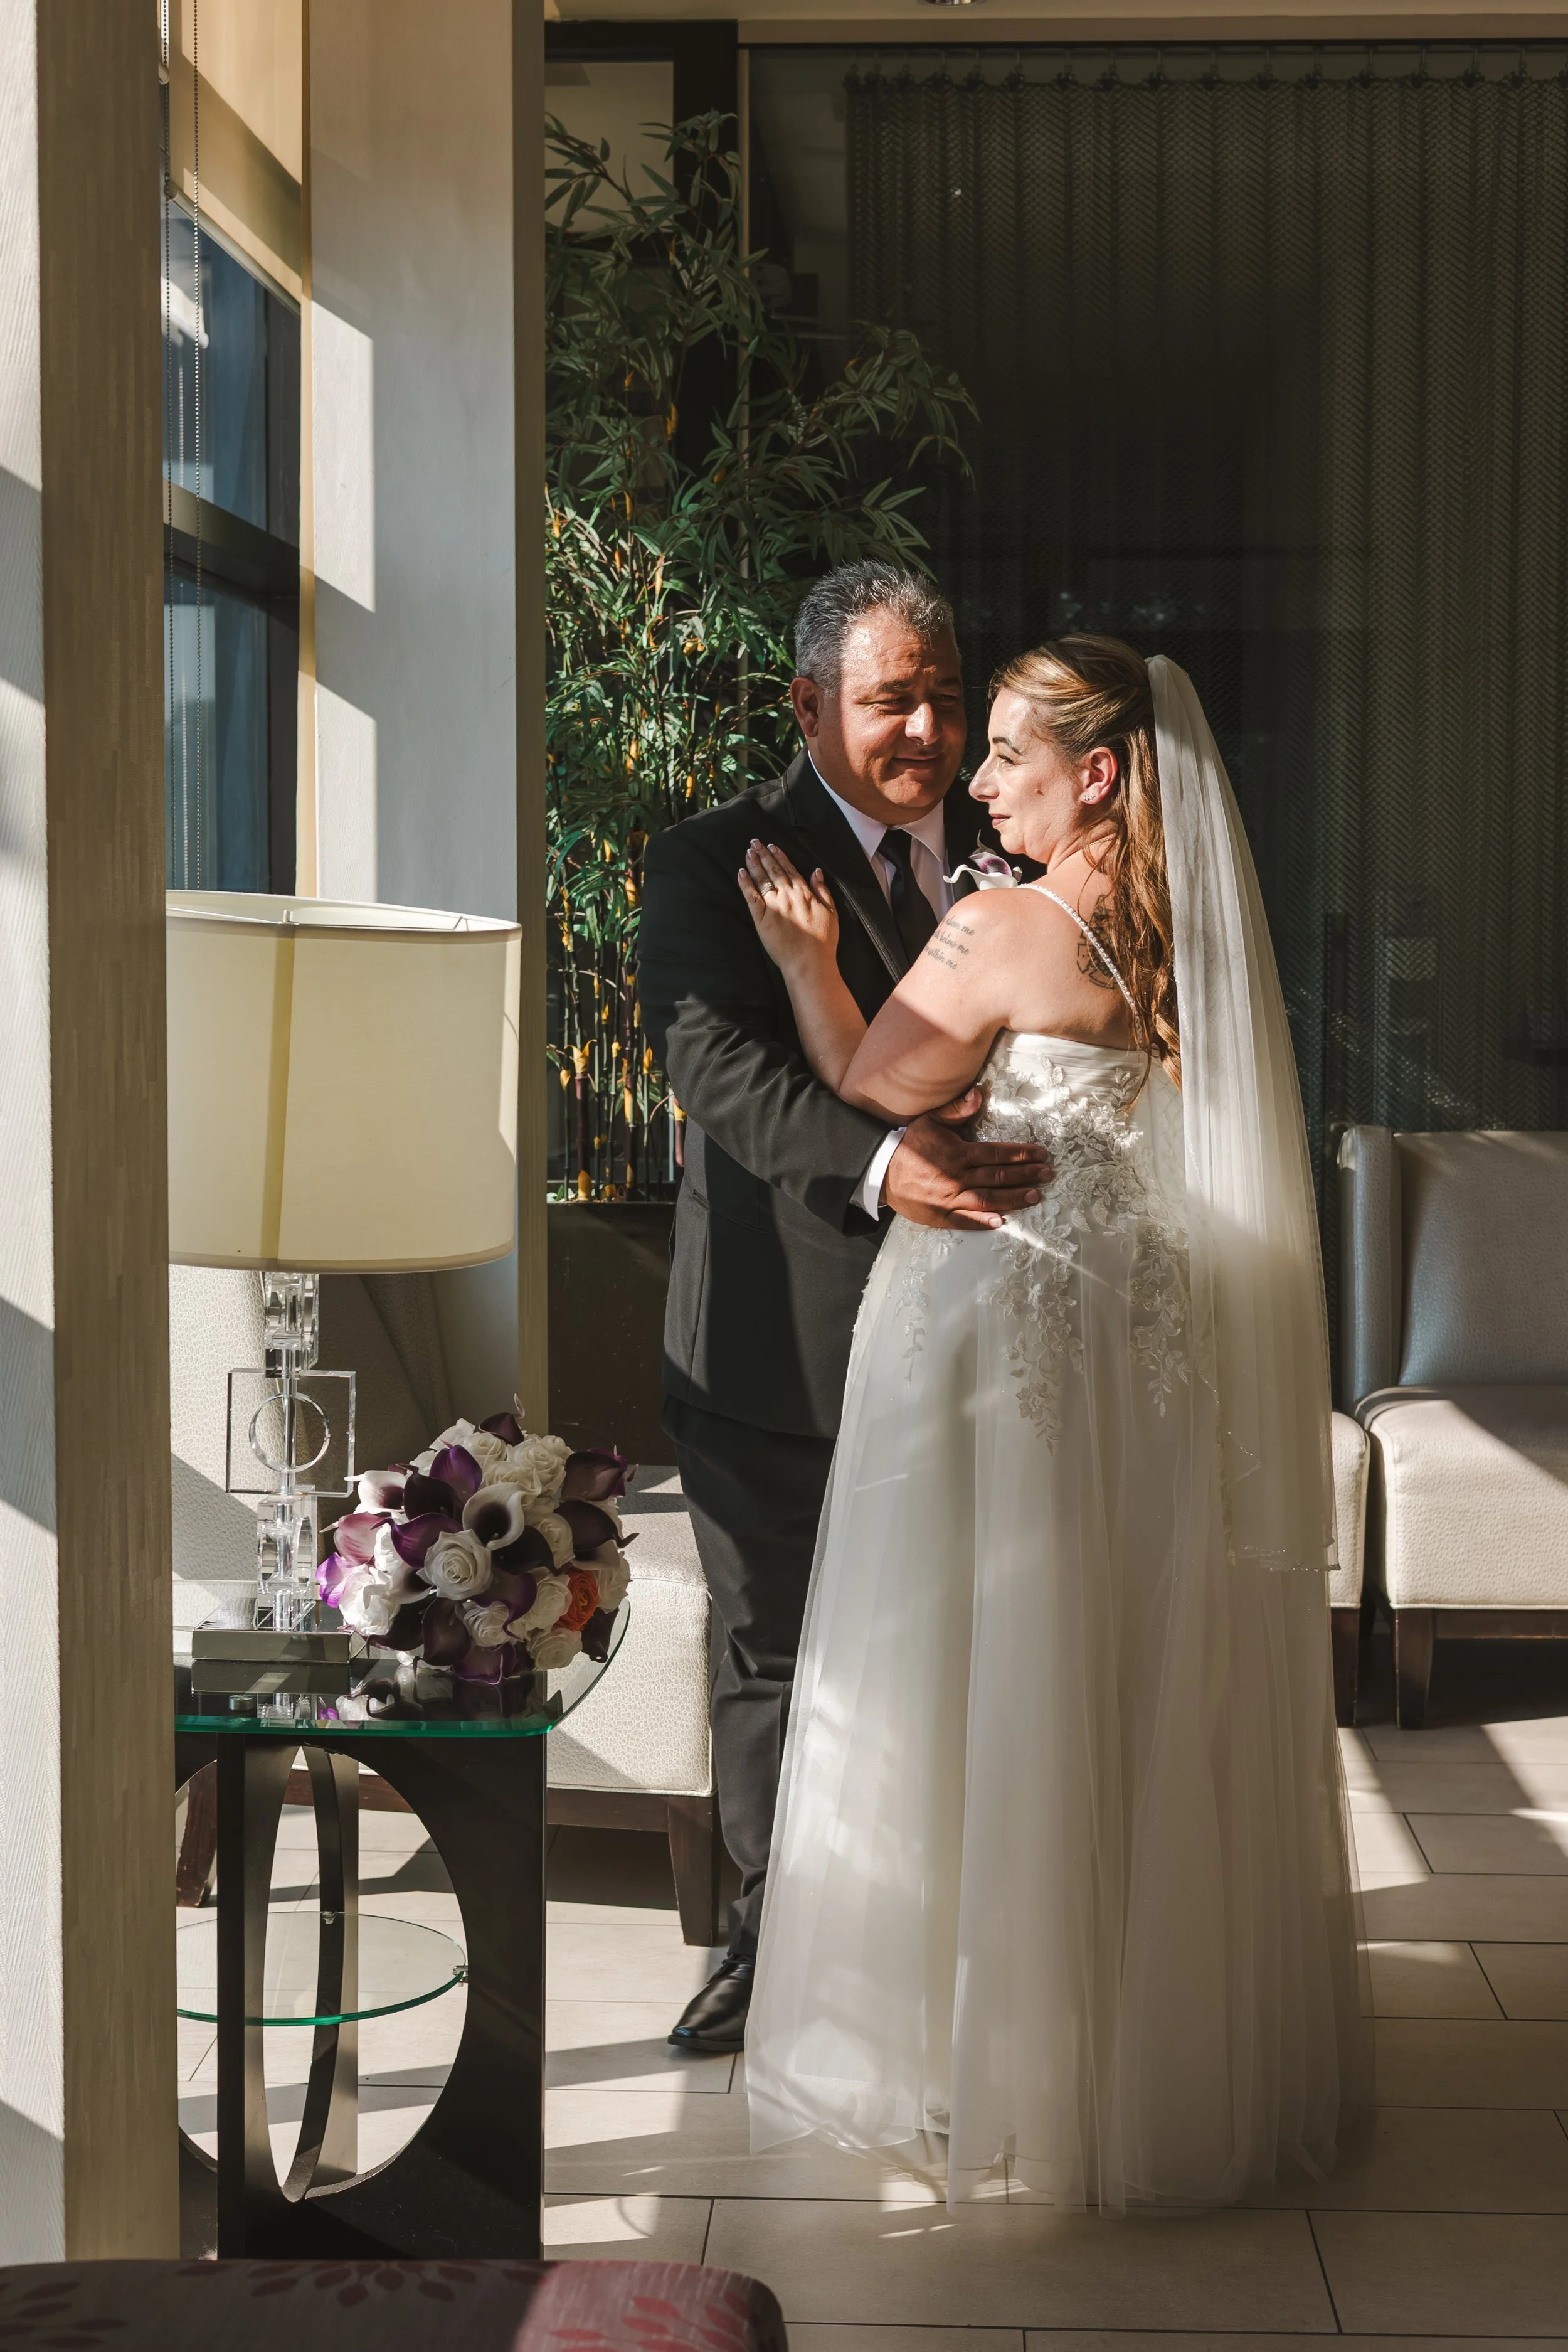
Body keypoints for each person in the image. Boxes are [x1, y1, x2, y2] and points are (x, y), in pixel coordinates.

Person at [739, 636, 1369, 2209]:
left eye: (1011, 749)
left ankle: (987, 2050)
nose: (976, 772)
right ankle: (1135, 2041)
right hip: (1145, 1344)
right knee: (1124, 1668)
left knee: (972, 1665)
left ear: (1095, 772)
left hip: (1001, 1328)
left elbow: (875, 1080)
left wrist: (809, 959)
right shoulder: (1176, 931)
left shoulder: (1003, 923)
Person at [638, 563, 1052, 2054]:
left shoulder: (1026, 851)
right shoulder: (708, 860)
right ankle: (765, 1945)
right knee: (772, 1658)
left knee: (965, 1637)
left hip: (988, 1343)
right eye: (891, 701)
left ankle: (950, 1935)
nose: (930, 728)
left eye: (946, 695)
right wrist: (887, 1164)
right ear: (808, 705)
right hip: (780, 1341)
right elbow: (720, 1076)